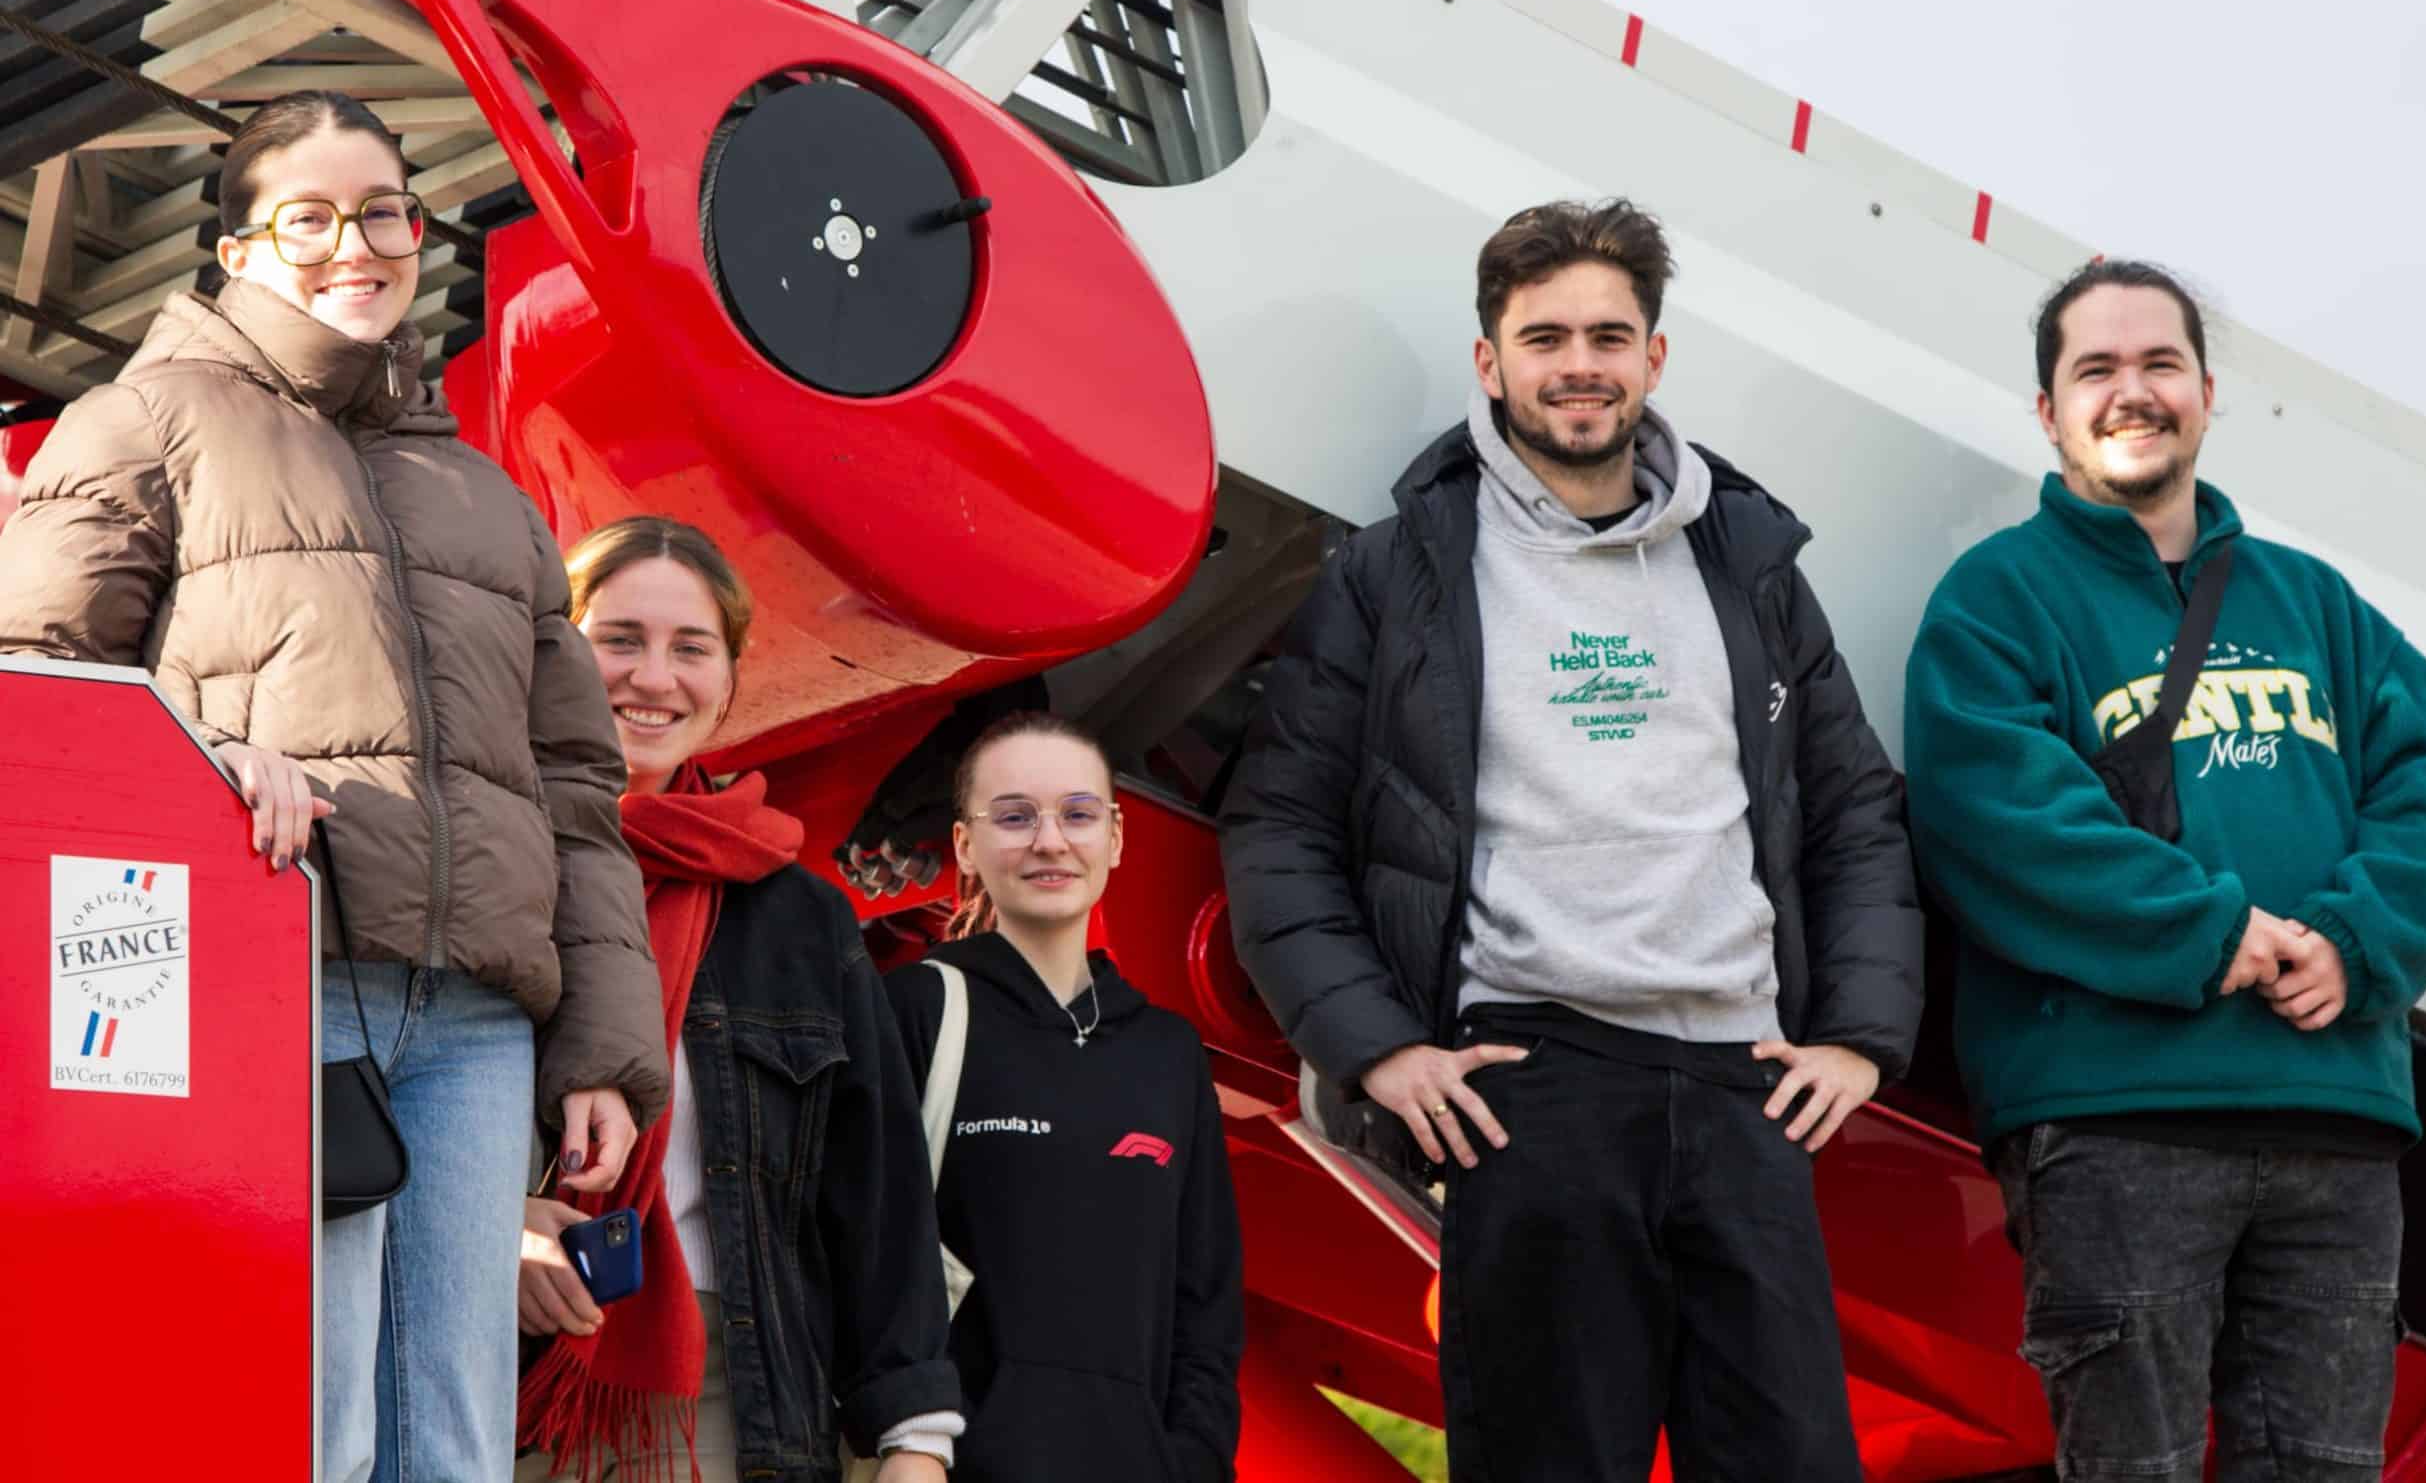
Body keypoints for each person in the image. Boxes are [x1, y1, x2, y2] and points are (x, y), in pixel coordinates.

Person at [0, 90, 670, 1481]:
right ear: (238, 247)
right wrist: (201, 761)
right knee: (306, 1421)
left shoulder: (490, 495)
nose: (350, 243)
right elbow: (31, 679)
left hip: (479, 1028)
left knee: (456, 1441)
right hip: (277, 982)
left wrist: (604, 1052)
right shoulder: (142, 421)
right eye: (306, 216)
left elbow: (574, 785)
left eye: (382, 213)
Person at [1220, 199, 1923, 1482]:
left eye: (1609, 334)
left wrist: (1861, 1040)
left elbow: (1853, 811)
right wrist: (1375, 1050)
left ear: (1655, 359)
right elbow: (1279, 825)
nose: (1579, 364)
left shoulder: (1752, 567)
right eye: (1545, 337)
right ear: (1491, 365)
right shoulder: (1394, 576)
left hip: (1744, 1087)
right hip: (1526, 1087)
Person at [1902, 260, 2426, 1482]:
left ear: (2208, 394)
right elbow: (1994, 815)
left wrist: (2355, 940)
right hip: (2120, 1131)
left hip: (2335, 1131)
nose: (2133, 392)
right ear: (2046, 409)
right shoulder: (1996, 601)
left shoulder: (2313, 602)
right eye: (2096, 370)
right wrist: (2204, 930)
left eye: (2159, 364)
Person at [515, 517, 962, 1482]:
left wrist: (915, 1435)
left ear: (728, 680)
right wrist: (493, 1228)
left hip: (726, 1388)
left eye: (691, 648)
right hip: (488, 1361)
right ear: (557, 648)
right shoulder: (485, 866)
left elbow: (877, 1188)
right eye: (620, 639)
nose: (654, 677)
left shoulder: (798, 916)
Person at [883, 712, 1244, 1483]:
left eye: (1078, 814)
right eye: (1013, 815)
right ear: (965, 848)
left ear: (1114, 837)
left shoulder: (1169, 1052)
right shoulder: (918, 1010)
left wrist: (1191, 1460)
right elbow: (864, 1254)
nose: (1050, 840)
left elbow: (1206, 1301)